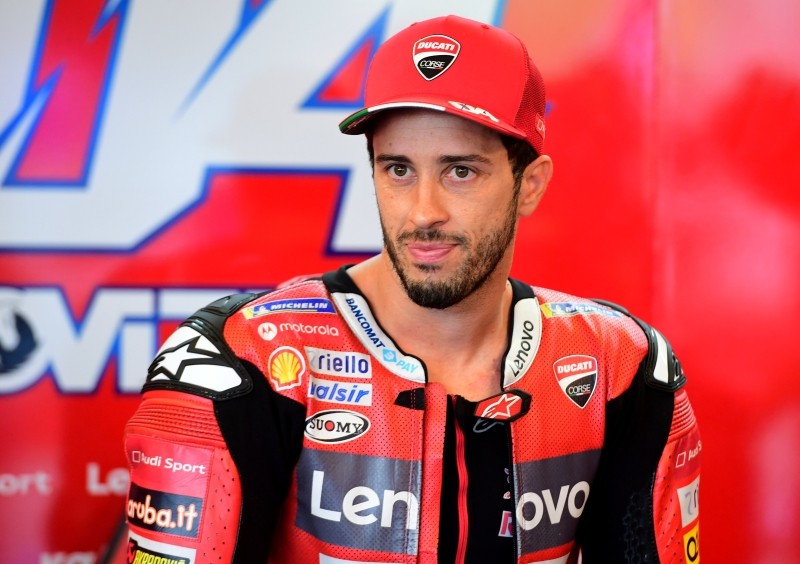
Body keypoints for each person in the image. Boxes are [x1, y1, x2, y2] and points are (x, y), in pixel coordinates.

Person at [122, 14, 701, 564]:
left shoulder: (624, 367)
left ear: (530, 185)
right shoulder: (242, 360)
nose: (423, 212)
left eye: (460, 171)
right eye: (398, 169)